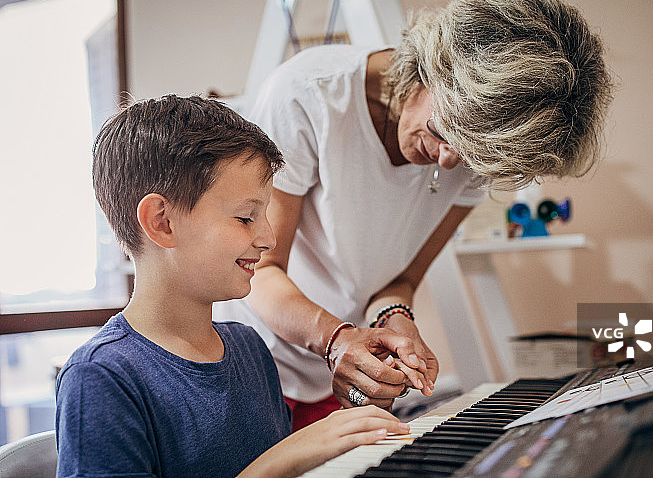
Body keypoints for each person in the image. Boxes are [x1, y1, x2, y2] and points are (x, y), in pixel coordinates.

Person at [213, 0, 614, 430]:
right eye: (446, 132)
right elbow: (262, 270)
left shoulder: (476, 150)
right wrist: (335, 338)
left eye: (472, 157)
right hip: (249, 358)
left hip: (335, 372)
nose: (448, 161)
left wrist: (394, 316)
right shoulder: (309, 97)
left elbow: (400, 278)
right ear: (432, 67)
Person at [55, 95, 409, 478]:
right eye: (245, 217)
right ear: (162, 221)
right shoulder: (101, 378)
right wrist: (288, 455)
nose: (268, 239)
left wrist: (360, 416)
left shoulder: (249, 348)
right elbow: (278, 465)